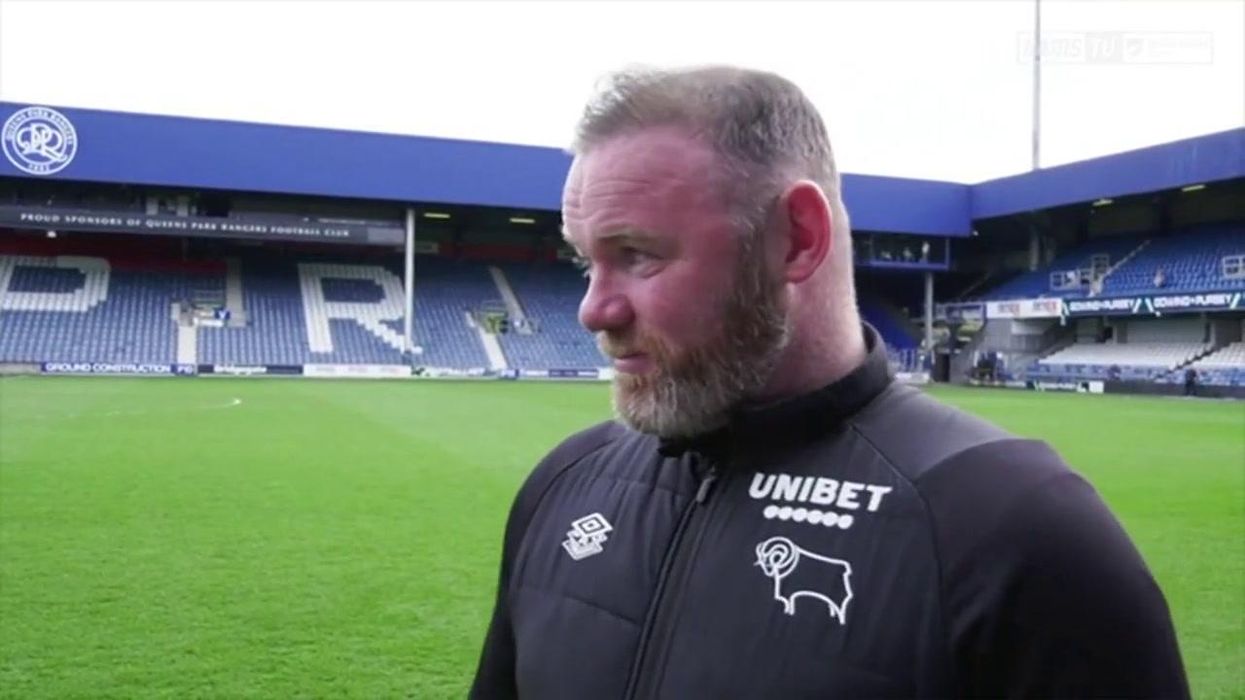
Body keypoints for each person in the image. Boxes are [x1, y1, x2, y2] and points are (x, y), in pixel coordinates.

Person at [470, 65, 1189, 699]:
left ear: (798, 238)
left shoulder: (1020, 534)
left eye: (637, 254)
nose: (594, 308)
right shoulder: (563, 487)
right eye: (583, 262)